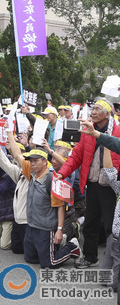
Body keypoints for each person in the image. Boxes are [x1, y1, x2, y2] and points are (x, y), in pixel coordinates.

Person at [57, 99, 120, 269]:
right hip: (92, 184)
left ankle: (113, 262)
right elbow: (76, 156)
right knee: (90, 223)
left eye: (98, 109)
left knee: (111, 226)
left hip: (111, 187)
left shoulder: (117, 131)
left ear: (107, 114)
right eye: (93, 108)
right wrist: (62, 173)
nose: (93, 112)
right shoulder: (87, 131)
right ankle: (91, 257)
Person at [21, 147, 81, 268]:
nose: (32, 164)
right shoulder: (31, 174)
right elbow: (17, 155)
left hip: (45, 228)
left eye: (36, 161)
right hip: (32, 226)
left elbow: (60, 207)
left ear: (45, 161)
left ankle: (72, 247)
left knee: (49, 263)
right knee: (30, 259)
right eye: (31, 161)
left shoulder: (52, 180)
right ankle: (58, 245)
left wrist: (59, 229)